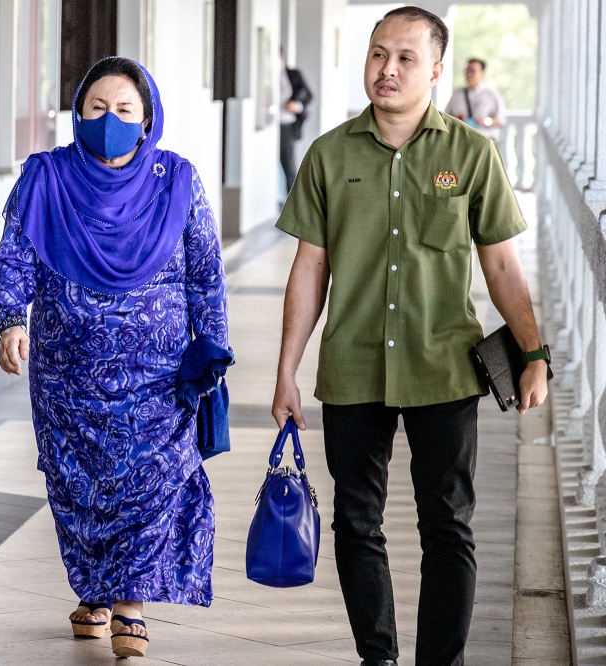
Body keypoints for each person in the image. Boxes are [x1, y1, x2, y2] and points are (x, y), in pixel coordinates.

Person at [270, 7, 547, 666]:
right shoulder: (329, 154)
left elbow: (501, 264)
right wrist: (286, 370)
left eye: (405, 58)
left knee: (447, 525)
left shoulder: (472, 154)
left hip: (443, 366)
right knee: (355, 522)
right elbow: (310, 267)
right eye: (377, 54)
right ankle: (379, 657)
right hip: (353, 366)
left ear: (437, 71)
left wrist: (534, 353)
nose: (387, 69)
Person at [0, 56, 228, 659]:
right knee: (80, 487)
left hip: (158, 375)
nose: (110, 121)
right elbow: (15, 254)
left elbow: (205, 271)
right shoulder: (46, 177)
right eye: (97, 108)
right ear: (77, 113)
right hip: (66, 375)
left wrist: (212, 345)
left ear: (147, 120)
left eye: (124, 110)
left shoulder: (177, 181)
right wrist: (10, 320)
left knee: (150, 483)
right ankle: (94, 592)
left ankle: (130, 606)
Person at [444, 58, 506, 138]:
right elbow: (445, 117)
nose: (469, 74)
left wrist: (486, 121)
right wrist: (456, 119)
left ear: (482, 74)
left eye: (473, 71)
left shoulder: (491, 95)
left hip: (484, 139)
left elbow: (501, 121)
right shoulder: (457, 94)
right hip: (463, 139)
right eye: (467, 70)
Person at [280, 50, 313, 192]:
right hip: (270, 124)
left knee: (288, 165)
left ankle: (293, 199)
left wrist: (297, 105)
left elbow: (308, 95)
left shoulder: (292, 74)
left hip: (286, 125)